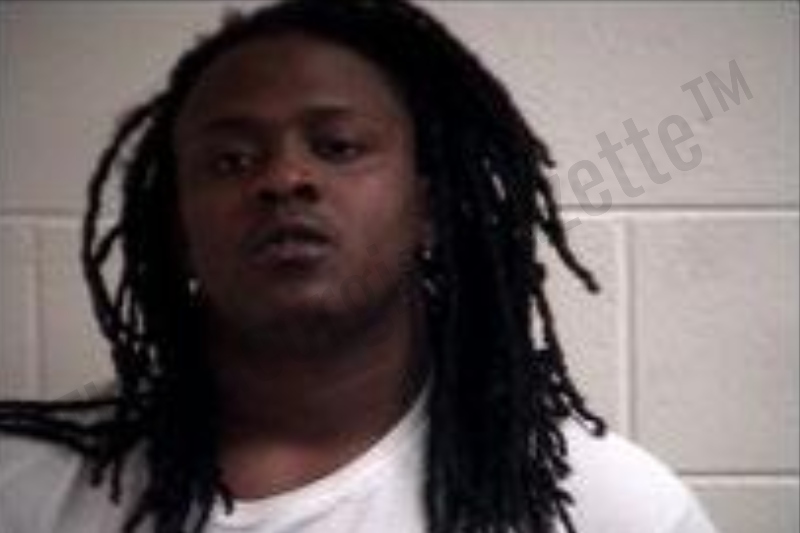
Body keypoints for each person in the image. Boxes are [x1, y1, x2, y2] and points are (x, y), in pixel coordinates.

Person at [0, 1, 719, 532]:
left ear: (429, 209)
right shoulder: (22, 489)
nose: (285, 178)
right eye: (231, 160)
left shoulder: (616, 510)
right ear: (178, 229)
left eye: (338, 146)